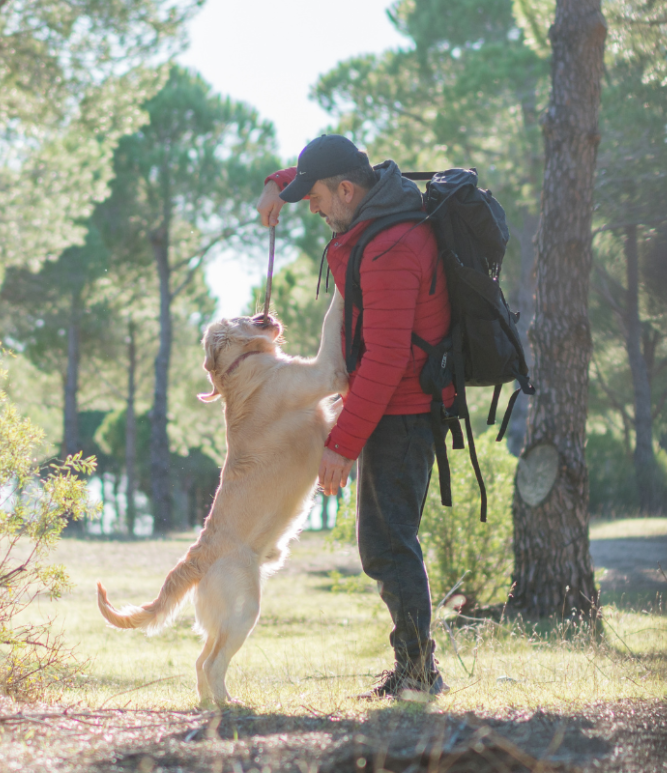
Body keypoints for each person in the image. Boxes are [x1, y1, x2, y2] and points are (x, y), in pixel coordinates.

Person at [256, 135, 454, 699]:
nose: (312, 210)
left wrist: (341, 444)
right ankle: (416, 669)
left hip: (405, 410)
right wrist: (278, 183)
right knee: (388, 542)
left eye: (315, 200)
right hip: (393, 405)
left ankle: (418, 675)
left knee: (389, 545)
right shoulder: (375, 200)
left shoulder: (392, 246)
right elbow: (322, 171)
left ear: (346, 190)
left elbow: (388, 360)